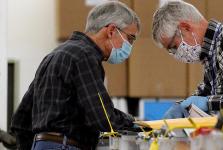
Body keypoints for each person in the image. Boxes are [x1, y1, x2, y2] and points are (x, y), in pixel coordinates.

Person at [10, 1, 140, 149]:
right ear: (111, 30)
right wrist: (135, 123)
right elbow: (103, 118)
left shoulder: (53, 56)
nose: (129, 46)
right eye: (130, 38)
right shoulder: (84, 56)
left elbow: (20, 120)